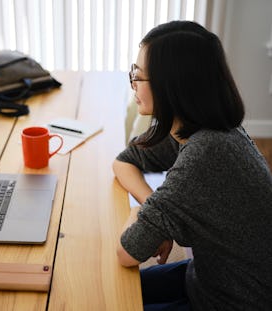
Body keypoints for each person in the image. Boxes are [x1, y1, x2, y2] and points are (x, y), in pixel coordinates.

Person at [113, 20, 272, 311]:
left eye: (139, 76)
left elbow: (128, 251)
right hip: (206, 279)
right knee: (109, 291)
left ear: (172, 85)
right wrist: (155, 212)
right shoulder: (196, 126)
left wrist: (141, 212)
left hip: (234, 301)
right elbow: (124, 161)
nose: (133, 83)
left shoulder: (206, 153)